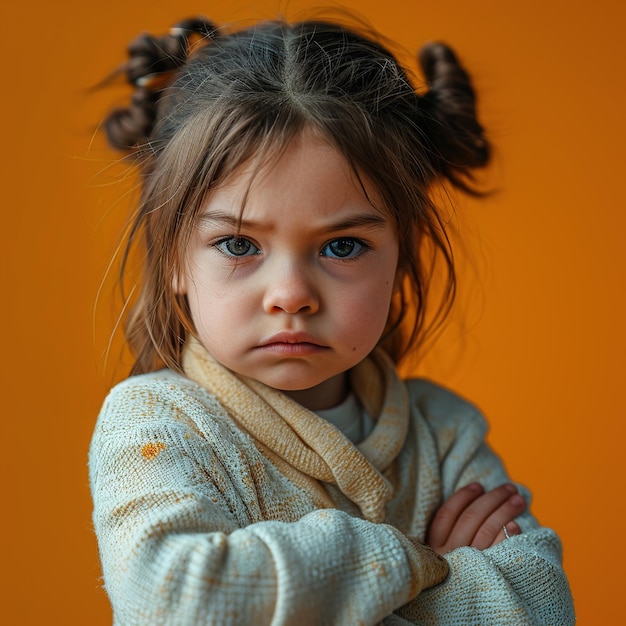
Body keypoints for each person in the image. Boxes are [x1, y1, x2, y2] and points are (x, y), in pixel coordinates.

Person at [89, 15, 575, 625]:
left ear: (401, 256)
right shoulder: (159, 425)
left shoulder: (445, 433)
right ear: (173, 259)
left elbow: (540, 608)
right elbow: (178, 601)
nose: (291, 295)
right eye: (239, 245)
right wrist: (421, 563)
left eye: (341, 246)